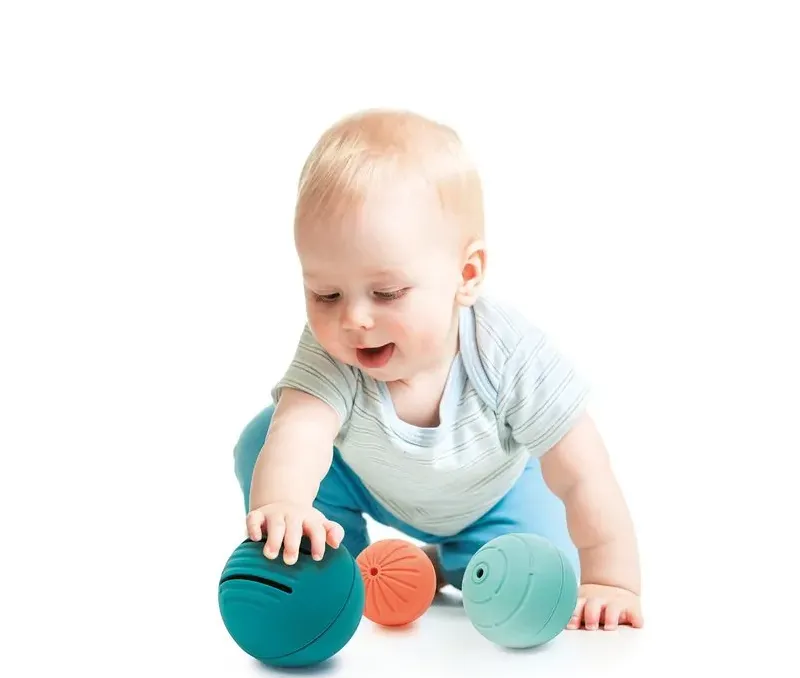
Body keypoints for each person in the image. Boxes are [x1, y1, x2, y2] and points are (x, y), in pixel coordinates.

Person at [233, 108, 643, 631]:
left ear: (465, 275)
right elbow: (299, 432)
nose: (354, 319)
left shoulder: (507, 354)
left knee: (538, 577)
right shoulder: (332, 349)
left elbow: (584, 472)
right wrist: (284, 504)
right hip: (367, 482)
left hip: (492, 495)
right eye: (325, 294)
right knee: (265, 438)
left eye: (387, 293)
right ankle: (335, 566)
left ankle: (451, 563)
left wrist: (611, 580)